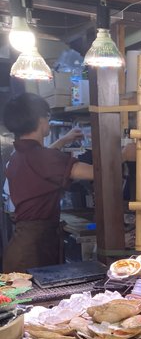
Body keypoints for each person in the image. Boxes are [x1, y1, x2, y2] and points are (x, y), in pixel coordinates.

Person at [2, 92, 94, 272]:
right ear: (40, 120)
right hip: (32, 253)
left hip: (23, 248)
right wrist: (123, 155)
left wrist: (63, 140)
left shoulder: (18, 155)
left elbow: (42, 159)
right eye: (47, 116)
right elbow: (93, 172)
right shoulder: (42, 157)